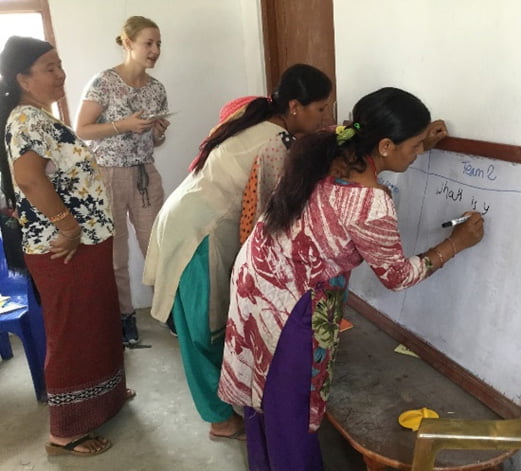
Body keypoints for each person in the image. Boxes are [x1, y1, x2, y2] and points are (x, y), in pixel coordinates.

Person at [217, 87, 485, 470]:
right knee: (289, 411)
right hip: (292, 305)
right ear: (387, 145)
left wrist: (422, 139)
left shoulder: (332, 144)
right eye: (414, 147)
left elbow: (383, 161)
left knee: (265, 397)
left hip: (258, 276)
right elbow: (397, 275)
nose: (417, 154)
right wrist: (455, 244)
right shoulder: (370, 201)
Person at [143, 64, 332, 441]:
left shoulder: (255, 115)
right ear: (295, 106)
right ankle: (218, 420)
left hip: (187, 217)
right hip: (199, 232)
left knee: (209, 326)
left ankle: (222, 405)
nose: (324, 116)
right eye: (321, 108)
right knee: (202, 333)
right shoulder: (275, 144)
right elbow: (274, 216)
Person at [0, 36, 133, 457]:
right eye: (48, 68)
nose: (60, 74)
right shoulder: (26, 120)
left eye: (60, 65)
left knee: (95, 323)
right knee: (72, 333)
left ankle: (105, 399)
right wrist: (69, 227)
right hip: (65, 247)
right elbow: (29, 179)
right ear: (22, 78)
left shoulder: (41, 116)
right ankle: (66, 432)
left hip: (85, 243)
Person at [75, 16, 170, 346]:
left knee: (157, 246)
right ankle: (125, 316)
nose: (155, 50)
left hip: (145, 172)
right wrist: (124, 125)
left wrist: (157, 133)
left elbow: (152, 141)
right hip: (107, 174)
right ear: (128, 43)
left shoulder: (157, 89)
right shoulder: (104, 82)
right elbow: (82, 130)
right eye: (149, 43)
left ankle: (168, 310)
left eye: (158, 44)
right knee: (115, 255)